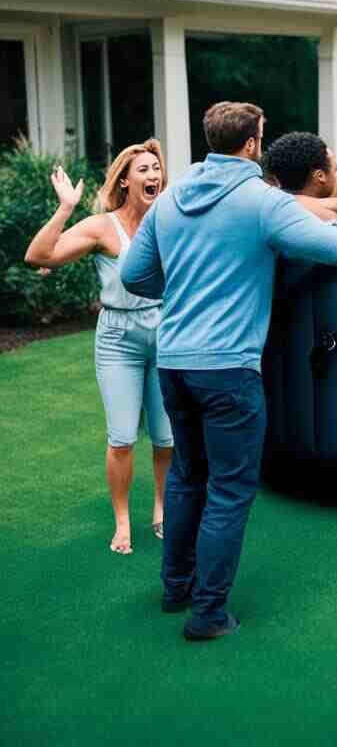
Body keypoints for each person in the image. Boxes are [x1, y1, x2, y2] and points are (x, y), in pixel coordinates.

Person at [121, 102, 337, 640]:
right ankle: (208, 613)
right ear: (252, 143)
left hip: (174, 363)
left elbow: (136, 275)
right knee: (229, 489)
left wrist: (186, 289)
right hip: (228, 369)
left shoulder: (173, 197)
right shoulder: (262, 201)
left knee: (187, 475)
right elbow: (333, 245)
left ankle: (175, 587)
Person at [24, 140, 173, 555]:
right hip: (118, 339)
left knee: (166, 437)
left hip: (165, 335)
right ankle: (122, 521)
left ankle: (162, 511)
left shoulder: (169, 222)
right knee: (122, 437)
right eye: (143, 170)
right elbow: (39, 255)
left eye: (156, 169)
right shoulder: (102, 227)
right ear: (125, 180)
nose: (153, 176)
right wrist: (66, 208)